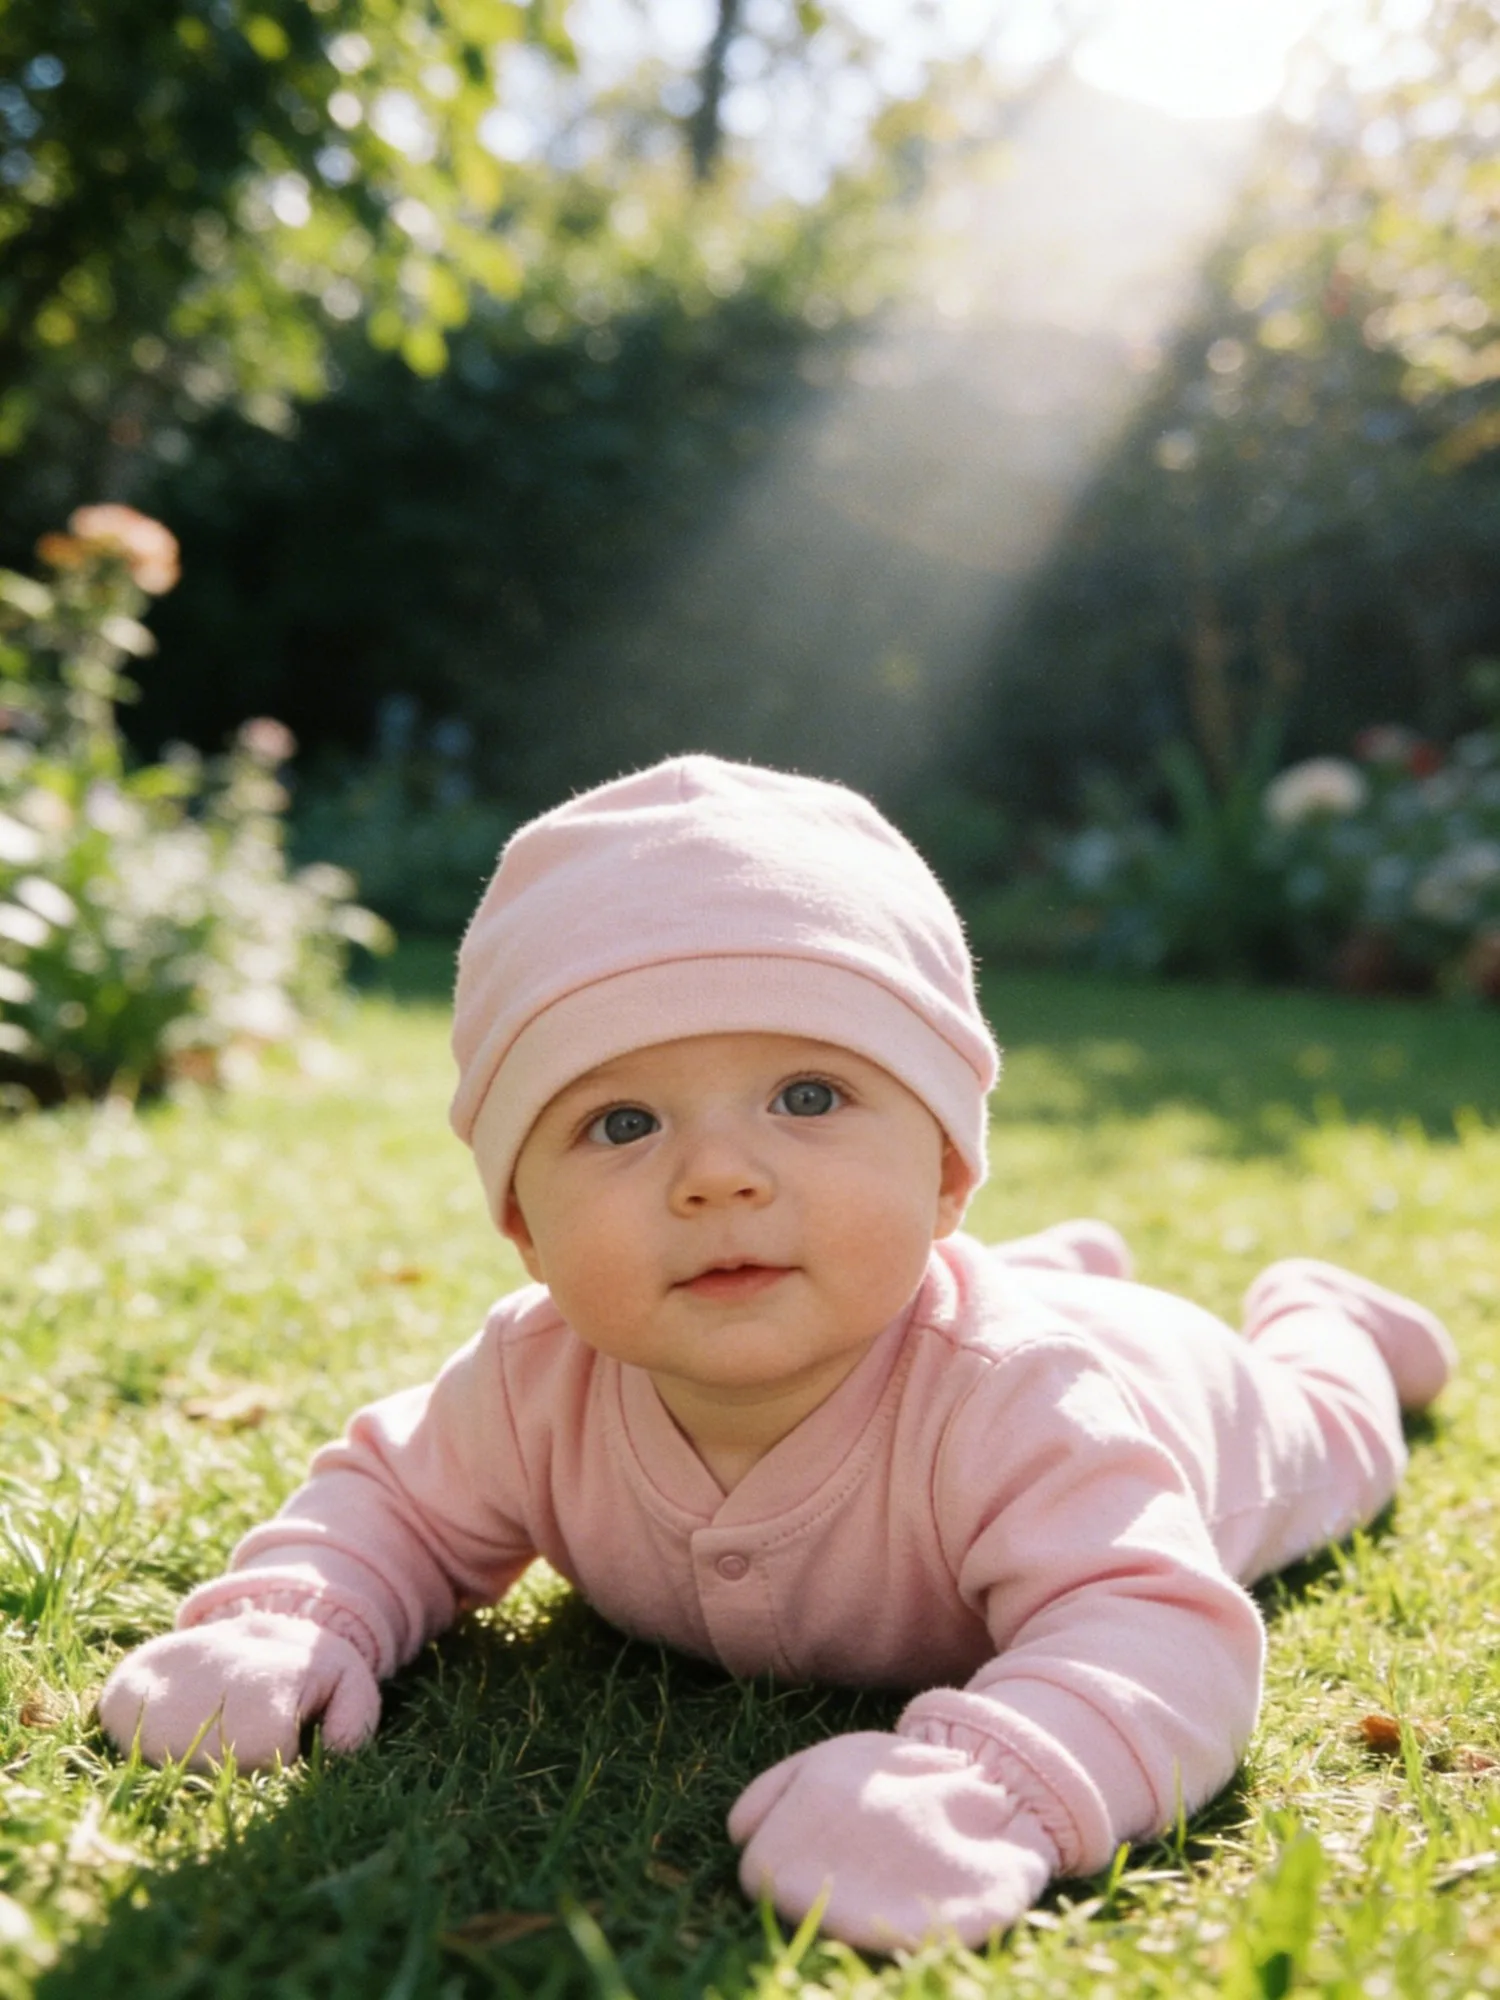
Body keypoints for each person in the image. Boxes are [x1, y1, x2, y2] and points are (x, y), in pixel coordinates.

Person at [98, 754, 1456, 1953]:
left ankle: (1320, 1319)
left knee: (1338, 1431)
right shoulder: (532, 1382)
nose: (718, 1175)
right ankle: (1057, 1260)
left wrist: (993, 1784)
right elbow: (390, 1500)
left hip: (1183, 1398)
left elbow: (1157, 1631)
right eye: (621, 1123)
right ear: (523, 1224)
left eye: (810, 1095)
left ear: (946, 1171)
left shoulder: (1028, 1407)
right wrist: (298, 1615)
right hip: (986, 1312)